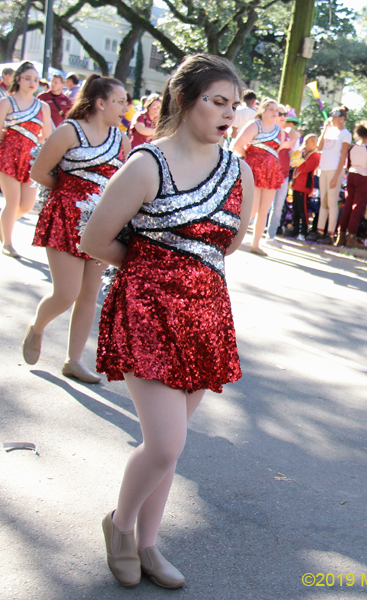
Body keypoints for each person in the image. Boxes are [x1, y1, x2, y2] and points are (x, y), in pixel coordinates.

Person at [79, 54, 254, 589]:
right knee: (165, 444)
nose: (229, 114)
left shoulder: (240, 171)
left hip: (205, 315)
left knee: (169, 445)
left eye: (234, 104)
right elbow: (94, 239)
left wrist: (185, 272)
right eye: (217, 102)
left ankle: (148, 545)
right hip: (147, 312)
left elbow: (231, 242)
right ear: (184, 100)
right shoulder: (146, 164)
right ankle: (121, 526)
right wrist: (151, 269)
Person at [26, 75, 131, 383]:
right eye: (119, 101)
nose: (125, 107)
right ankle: (37, 327)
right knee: (66, 293)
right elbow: (39, 172)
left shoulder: (122, 141)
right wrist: (69, 194)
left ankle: (73, 360)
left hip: (101, 224)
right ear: (101, 103)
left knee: (89, 294)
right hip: (64, 218)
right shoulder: (69, 131)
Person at [0, 62, 53, 257]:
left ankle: (3, 221)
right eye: (27, 78)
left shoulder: (43, 106)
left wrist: (30, 143)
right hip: (7, 155)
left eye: (35, 79)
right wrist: (15, 140)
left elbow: (46, 135)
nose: (32, 83)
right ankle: (7, 243)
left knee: (27, 205)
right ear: (18, 79)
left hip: (30, 158)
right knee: (13, 201)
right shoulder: (6, 102)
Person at [231, 98, 286, 255]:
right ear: (262, 110)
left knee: (264, 209)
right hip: (254, 170)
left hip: (271, 173)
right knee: (252, 207)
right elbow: (237, 144)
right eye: (271, 109)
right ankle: (232, 237)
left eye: (277, 110)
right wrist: (252, 158)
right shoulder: (254, 125)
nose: (275, 113)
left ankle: (256, 244)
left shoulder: (280, 131)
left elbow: (277, 151)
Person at [311, 106, 351, 243]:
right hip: (324, 169)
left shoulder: (345, 134)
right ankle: (319, 230)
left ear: (342, 118)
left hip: (335, 170)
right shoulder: (330, 131)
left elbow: (343, 156)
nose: (332, 120)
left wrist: (336, 176)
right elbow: (319, 147)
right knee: (323, 201)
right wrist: (325, 130)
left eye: (335, 118)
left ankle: (330, 234)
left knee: (332, 202)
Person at [337, 120, 367, 248]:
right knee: (358, 208)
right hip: (363, 178)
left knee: (347, 206)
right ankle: (351, 237)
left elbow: (348, 164)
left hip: (351, 176)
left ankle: (340, 236)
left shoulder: (353, 147)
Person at [266, 107, 296, 243]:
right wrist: (282, 146)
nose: (284, 116)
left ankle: (271, 236)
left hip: (283, 174)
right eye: (281, 114)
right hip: (270, 173)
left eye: (285, 114)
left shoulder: (287, 134)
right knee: (263, 205)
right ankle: (244, 230)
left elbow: (290, 154)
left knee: (278, 207)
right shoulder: (269, 132)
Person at [290, 134, 319, 240]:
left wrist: (298, 159)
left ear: (314, 144)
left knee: (303, 210)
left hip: (304, 186)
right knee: (295, 209)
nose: (304, 145)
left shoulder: (315, 156)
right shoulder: (305, 154)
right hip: (297, 185)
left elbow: (305, 168)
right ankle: (295, 229)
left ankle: (304, 231)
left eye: (307, 143)